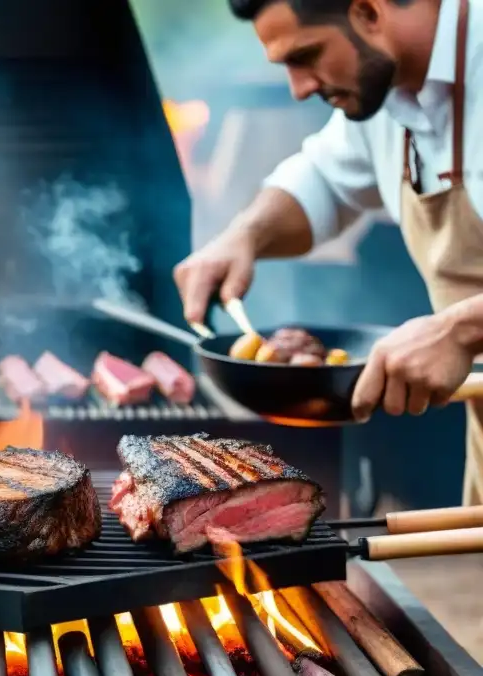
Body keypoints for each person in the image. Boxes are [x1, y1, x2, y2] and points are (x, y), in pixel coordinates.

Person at [173, 0, 483, 498]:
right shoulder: (392, 84)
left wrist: (459, 327)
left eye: (306, 55)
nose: (300, 89)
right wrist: (244, 235)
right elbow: (324, 180)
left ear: (369, 11)